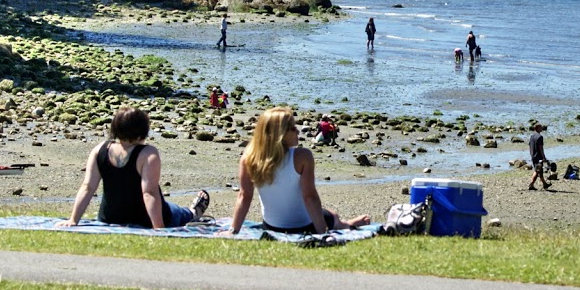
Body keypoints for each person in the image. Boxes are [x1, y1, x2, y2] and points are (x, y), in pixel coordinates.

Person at [60, 106, 209, 228]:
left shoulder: (99, 150)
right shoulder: (148, 153)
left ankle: (189, 212)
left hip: (109, 218)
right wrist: (159, 228)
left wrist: (73, 220)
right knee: (178, 212)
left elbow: (87, 187)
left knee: (170, 206)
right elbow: (149, 193)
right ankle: (192, 212)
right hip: (144, 219)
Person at [227, 107, 369, 235]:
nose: (298, 131)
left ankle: (343, 223)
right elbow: (310, 197)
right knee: (332, 216)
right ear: (280, 134)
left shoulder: (249, 158)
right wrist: (323, 234)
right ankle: (345, 224)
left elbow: (244, 196)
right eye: (293, 128)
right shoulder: (302, 157)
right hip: (306, 227)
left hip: (271, 228)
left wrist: (233, 231)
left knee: (326, 214)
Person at [527, 123, 551, 191]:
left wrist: (531, 154)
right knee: (537, 170)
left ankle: (544, 184)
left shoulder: (532, 136)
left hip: (533, 155)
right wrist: (544, 157)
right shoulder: (540, 137)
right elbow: (541, 148)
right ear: (537, 128)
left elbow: (530, 146)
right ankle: (531, 184)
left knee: (540, 171)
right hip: (538, 157)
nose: (542, 128)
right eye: (540, 127)